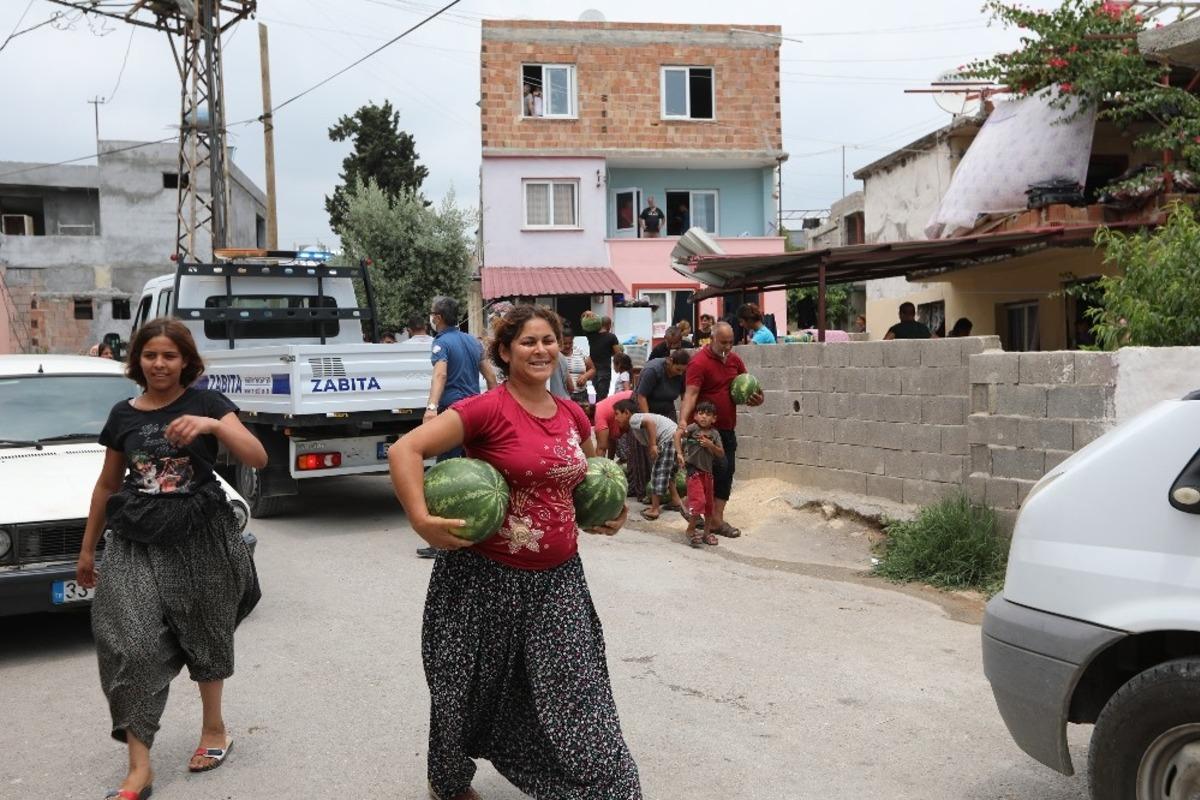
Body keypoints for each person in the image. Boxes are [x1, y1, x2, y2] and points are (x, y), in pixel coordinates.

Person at [386, 303, 642, 800]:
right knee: (466, 684)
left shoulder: (571, 412)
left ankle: (606, 788)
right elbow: (405, 451)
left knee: (576, 688)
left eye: (549, 340)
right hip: (485, 575)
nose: (541, 349)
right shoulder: (487, 409)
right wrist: (421, 519)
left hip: (559, 578)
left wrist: (608, 515)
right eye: (527, 341)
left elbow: (588, 478)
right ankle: (449, 778)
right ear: (505, 352)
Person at [77, 318, 265, 800]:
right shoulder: (123, 415)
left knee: (205, 633)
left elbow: (258, 456)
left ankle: (214, 730)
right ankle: (139, 768)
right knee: (129, 644)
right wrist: (87, 548)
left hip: (200, 536)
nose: (159, 364)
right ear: (137, 360)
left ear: (186, 362)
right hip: (135, 539)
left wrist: (211, 424)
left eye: (169, 356)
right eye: (150, 355)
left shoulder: (207, 403)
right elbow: (106, 484)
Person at [419, 296, 499, 559]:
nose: (431, 318)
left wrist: (431, 408)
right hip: (476, 411)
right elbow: (490, 376)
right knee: (473, 470)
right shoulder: (472, 341)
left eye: (432, 314)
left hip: (454, 414)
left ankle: (441, 539)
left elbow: (440, 374)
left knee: (446, 474)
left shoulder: (441, 343)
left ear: (438, 318)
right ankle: (475, 530)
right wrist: (497, 406)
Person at [678, 321, 763, 539]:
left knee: (726, 472)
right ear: (712, 339)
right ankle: (704, 514)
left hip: (726, 429)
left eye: (730, 342)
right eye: (723, 342)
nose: (727, 347)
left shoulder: (734, 360)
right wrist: (683, 423)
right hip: (704, 431)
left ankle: (711, 516)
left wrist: (757, 398)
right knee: (705, 473)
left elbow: (750, 386)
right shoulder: (699, 362)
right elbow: (691, 394)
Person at [611, 399, 683, 521]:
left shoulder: (634, 418)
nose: (615, 418)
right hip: (675, 439)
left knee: (657, 474)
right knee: (667, 473)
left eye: (617, 414)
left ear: (627, 412)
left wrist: (653, 445)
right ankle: (676, 500)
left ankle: (654, 509)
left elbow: (651, 424)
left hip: (668, 440)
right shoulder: (636, 422)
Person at [674, 399, 724, 548]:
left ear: (714, 419)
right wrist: (679, 454)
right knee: (699, 502)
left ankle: (706, 533)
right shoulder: (693, 429)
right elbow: (677, 435)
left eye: (708, 414)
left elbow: (721, 453)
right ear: (695, 416)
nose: (703, 417)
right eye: (700, 413)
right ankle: (690, 530)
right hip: (693, 471)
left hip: (708, 474)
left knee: (709, 506)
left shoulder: (714, 434)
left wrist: (711, 446)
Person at [635, 349, 690, 421]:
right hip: (646, 407)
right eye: (678, 369)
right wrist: (648, 421)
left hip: (667, 409)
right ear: (670, 362)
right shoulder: (652, 370)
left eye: (683, 371)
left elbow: (684, 398)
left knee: (673, 430)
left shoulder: (682, 374)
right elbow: (641, 397)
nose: (680, 373)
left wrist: (683, 419)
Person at [584, 314, 620, 401]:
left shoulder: (591, 335)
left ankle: (596, 411)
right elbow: (618, 353)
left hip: (593, 370)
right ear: (609, 325)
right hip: (605, 369)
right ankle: (600, 412)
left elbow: (584, 323)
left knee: (597, 393)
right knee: (603, 396)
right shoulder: (612, 337)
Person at [593, 388, 634, 458]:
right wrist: (610, 463)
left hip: (634, 400)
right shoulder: (603, 415)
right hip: (632, 397)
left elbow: (601, 448)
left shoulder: (599, 417)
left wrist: (598, 468)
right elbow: (612, 440)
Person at [561, 325, 596, 406]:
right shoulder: (556, 355)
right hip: (563, 396)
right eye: (565, 343)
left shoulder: (580, 352)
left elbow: (592, 369)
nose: (568, 346)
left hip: (581, 395)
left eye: (570, 343)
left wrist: (585, 376)